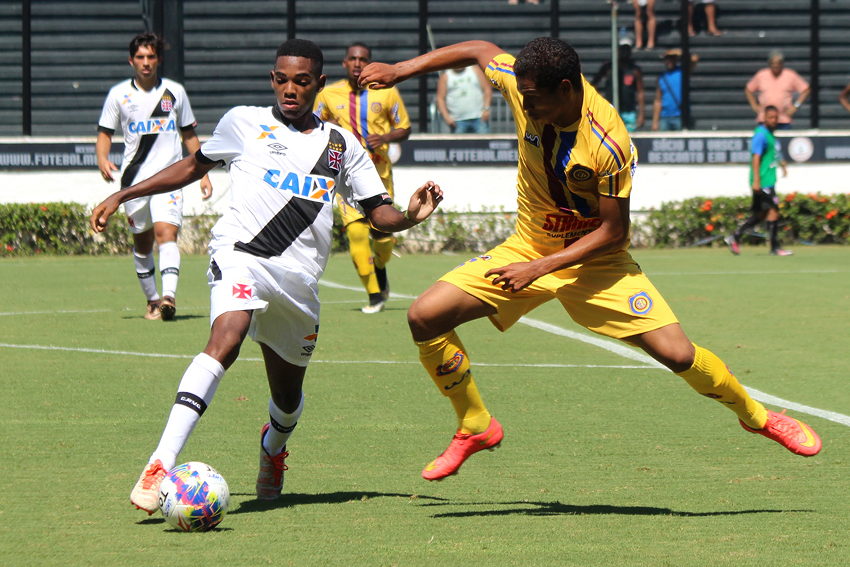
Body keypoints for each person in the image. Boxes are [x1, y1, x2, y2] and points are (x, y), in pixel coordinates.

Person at [359, 37, 821, 483]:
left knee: (678, 354)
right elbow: (479, 49)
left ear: (565, 89)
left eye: (533, 99)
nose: (524, 106)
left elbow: (614, 231)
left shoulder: (608, 141)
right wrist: (401, 70)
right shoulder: (526, 86)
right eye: (523, 95)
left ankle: (758, 417)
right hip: (529, 247)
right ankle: (475, 423)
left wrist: (539, 269)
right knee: (424, 317)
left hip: (595, 261)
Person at [90, 39, 443, 514]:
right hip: (241, 255)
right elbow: (192, 165)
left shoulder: (341, 145)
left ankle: (273, 447)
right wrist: (123, 194)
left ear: (320, 84)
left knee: (288, 399)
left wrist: (409, 217)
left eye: (302, 81)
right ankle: (159, 463)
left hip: (299, 281)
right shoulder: (243, 122)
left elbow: (378, 212)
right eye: (282, 79)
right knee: (226, 339)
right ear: (272, 79)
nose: (290, 89)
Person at [96, 32, 213, 321]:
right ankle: (152, 300)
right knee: (143, 243)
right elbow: (105, 133)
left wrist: (203, 173)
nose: (146, 62)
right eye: (140, 57)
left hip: (170, 179)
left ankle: (168, 297)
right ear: (131, 61)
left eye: (151, 56)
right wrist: (102, 159)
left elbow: (189, 134)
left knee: (166, 234)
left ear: (159, 59)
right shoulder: (118, 94)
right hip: (134, 182)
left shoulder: (175, 92)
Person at [314, 42, 411, 314]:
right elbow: (311, 124)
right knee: (356, 233)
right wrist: (326, 127)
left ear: (369, 63)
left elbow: (404, 127)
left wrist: (386, 136)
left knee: (382, 238)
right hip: (346, 178)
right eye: (353, 59)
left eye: (363, 59)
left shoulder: (387, 92)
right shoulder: (328, 94)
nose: (358, 63)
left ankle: (380, 266)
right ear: (345, 63)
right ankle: (375, 296)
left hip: (379, 176)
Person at [725, 106, 791, 257]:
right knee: (773, 210)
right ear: (764, 118)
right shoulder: (761, 135)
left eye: (776, 118)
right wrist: (756, 180)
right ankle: (775, 247)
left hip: (768, 179)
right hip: (763, 180)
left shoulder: (770, 134)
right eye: (770, 117)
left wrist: (782, 165)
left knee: (761, 214)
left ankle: (735, 237)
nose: (773, 120)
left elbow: (773, 154)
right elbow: (756, 157)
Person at [745, 51, 810, 129]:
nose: (775, 65)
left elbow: (806, 90)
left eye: (778, 63)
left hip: (783, 120)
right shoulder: (761, 75)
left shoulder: (790, 75)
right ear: (769, 63)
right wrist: (754, 105)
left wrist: (796, 106)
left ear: (782, 63)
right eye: (773, 63)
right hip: (764, 121)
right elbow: (749, 89)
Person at [591, 37, 645, 131]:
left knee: (628, 138)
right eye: (622, 49)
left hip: (629, 111)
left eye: (627, 50)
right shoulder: (608, 67)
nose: (624, 52)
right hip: (611, 111)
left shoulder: (634, 70)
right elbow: (594, 84)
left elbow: (640, 92)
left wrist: (641, 114)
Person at [652, 48, 699, 131]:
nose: (670, 61)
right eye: (668, 59)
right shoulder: (662, 77)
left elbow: (695, 59)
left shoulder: (682, 72)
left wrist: (680, 52)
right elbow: (658, 100)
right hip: (665, 116)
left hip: (680, 116)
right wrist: (655, 122)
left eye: (672, 58)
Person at [436, 66, 493, 134]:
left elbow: (487, 89)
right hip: (457, 121)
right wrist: (447, 117)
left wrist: (486, 109)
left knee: (482, 141)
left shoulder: (475, 70)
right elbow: (440, 98)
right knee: (459, 141)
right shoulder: (446, 77)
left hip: (479, 118)